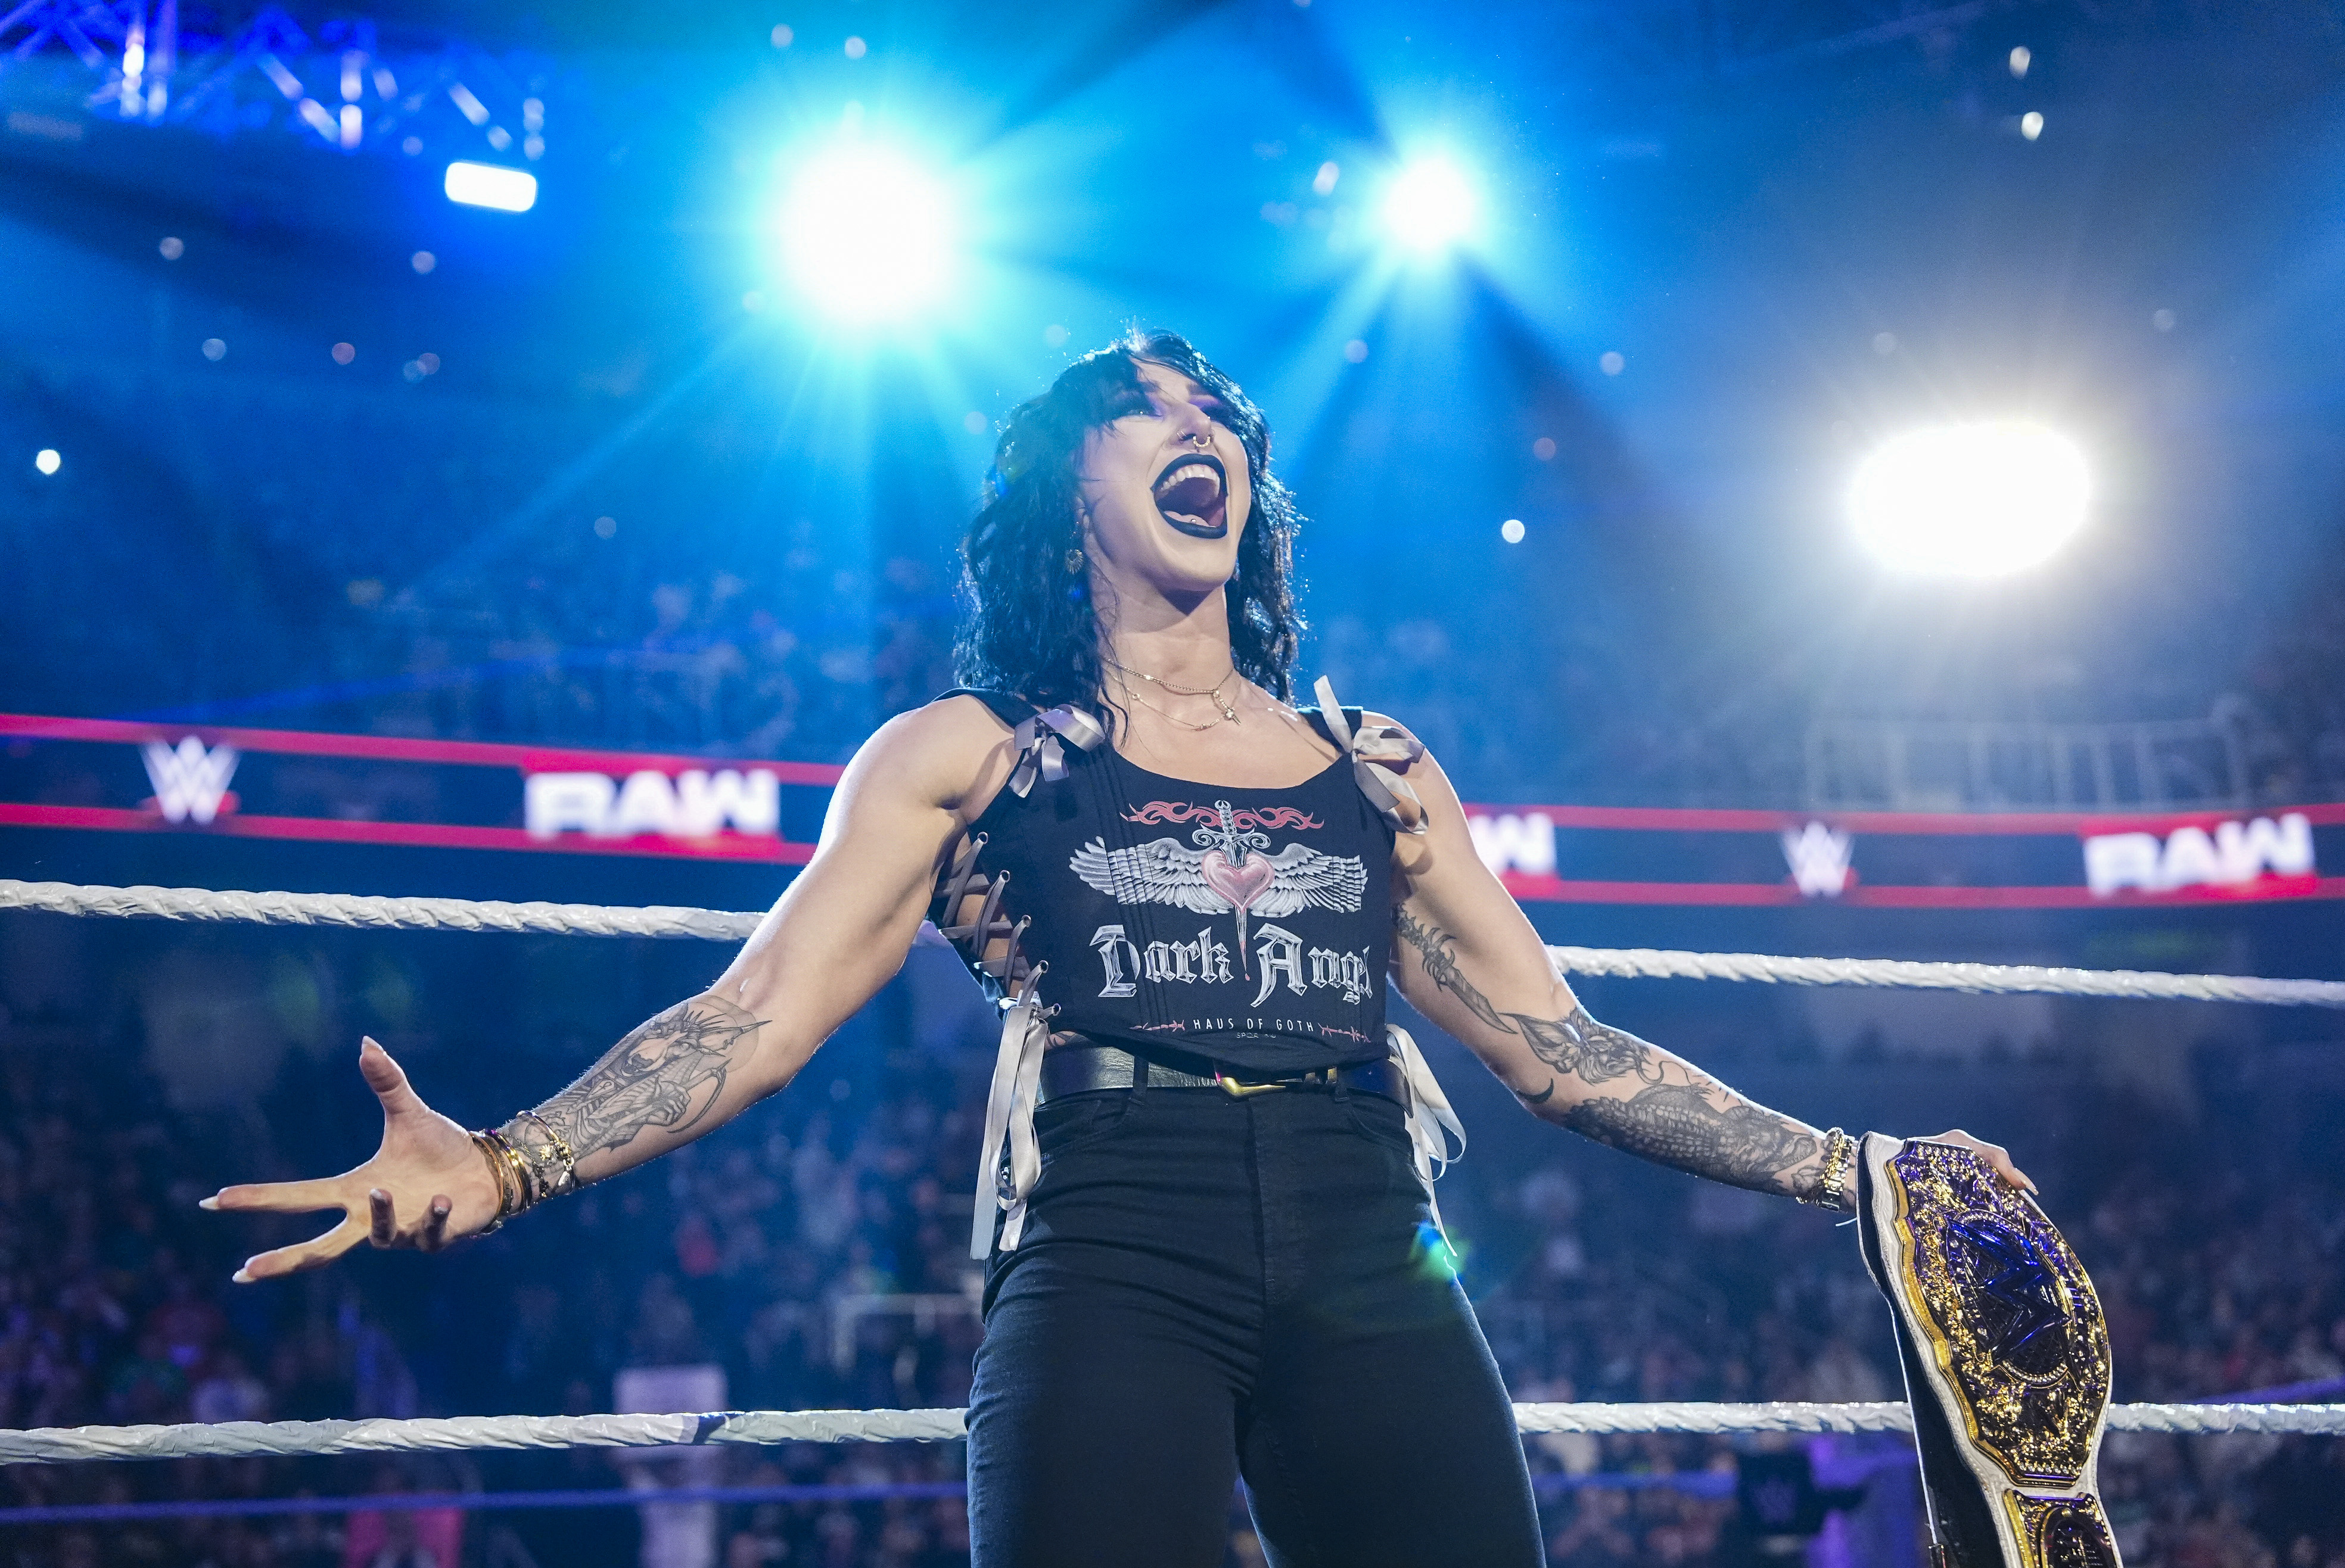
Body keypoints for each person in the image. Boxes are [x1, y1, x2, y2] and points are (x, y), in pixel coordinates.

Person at [206, 329, 2033, 1567]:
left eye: (1218, 410)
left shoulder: (1375, 769)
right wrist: (510, 1161)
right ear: (1061, 486)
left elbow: (1559, 1050)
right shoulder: (964, 754)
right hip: (1112, 1239)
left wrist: (1857, 1168)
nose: (1199, 427)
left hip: (1369, 1235)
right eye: (1146, 409)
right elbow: (754, 1017)